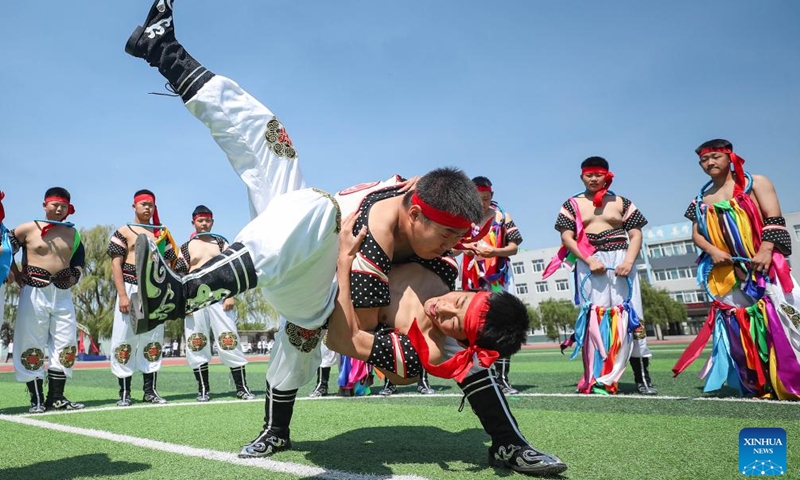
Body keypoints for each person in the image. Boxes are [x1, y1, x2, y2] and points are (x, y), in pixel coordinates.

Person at [125, 0, 486, 460]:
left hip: (320, 293)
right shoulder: (408, 192)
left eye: (455, 239)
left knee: (316, 229)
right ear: (417, 205)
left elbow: (345, 337)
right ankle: (163, 50)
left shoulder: (429, 300)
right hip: (292, 235)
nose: (451, 248)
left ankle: (183, 293)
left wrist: (508, 440)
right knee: (271, 139)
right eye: (446, 234)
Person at [325, 213, 567, 476]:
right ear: (470, 291)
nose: (443, 308)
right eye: (459, 302)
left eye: (455, 324)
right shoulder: (443, 263)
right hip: (337, 251)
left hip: (330, 305)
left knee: (297, 345)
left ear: (462, 339)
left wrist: (345, 262)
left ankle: (509, 443)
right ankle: (275, 429)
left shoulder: (422, 350)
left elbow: (340, 339)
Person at [673, 139, 800, 400]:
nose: (710, 163)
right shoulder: (700, 199)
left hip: (764, 265)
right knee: (743, 326)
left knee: (789, 317)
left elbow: (775, 219)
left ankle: (793, 380)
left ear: (730, 157)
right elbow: (696, 234)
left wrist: (765, 250)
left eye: (715, 157)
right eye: (704, 160)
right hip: (726, 272)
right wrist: (713, 250)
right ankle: (759, 385)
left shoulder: (757, 182)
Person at [546, 156, 656, 395]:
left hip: (621, 261)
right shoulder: (571, 204)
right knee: (592, 315)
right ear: (581, 176)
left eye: (598, 174)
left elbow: (636, 235)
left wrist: (628, 260)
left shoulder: (622, 202)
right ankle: (595, 376)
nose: (594, 179)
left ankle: (643, 377)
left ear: (607, 175)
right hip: (589, 261)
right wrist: (589, 260)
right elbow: (567, 238)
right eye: (589, 175)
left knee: (632, 313)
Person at [8, 187, 85, 413]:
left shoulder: (73, 233)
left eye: (63, 206)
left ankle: (57, 397)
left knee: (66, 342)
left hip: (62, 293)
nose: (59, 209)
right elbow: (5, 249)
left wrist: (76, 275)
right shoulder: (27, 228)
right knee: (31, 342)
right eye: (55, 205)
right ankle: (37, 399)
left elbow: (80, 259)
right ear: (45, 204)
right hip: (34, 290)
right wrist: (15, 273)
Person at [174, 205, 255, 402]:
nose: (204, 223)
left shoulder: (221, 242)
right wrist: (184, 304)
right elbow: (180, 275)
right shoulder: (185, 247)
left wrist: (230, 295)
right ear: (193, 221)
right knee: (196, 341)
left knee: (229, 338)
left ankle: (241, 387)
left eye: (207, 220)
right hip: (195, 299)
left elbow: (232, 268)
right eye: (200, 220)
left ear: (212, 221)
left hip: (219, 295)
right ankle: (203, 389)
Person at [107, 189, 177, 406]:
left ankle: (150, 391)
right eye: (143, 204)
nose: (148, 208)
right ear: (134, 206)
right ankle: (125, 392)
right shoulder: (124, 231)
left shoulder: (161, 233)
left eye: (151, 205)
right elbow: (116, 263)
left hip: (154, 291)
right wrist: (122, 295)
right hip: (130, 287)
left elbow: (171, 263)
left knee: (153, 339)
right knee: (124, 337)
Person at [460, 176, 524, 395]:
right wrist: (465, 247)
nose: (481, 204)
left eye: (485, 199)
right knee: (474, 325)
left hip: (498, 277)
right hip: (472, 277)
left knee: (502, 322)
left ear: (492, 196)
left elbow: (514, 247)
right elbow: (452, 247)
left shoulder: (502, 217)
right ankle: (477, 377)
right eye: (477, 200)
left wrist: (493, 252)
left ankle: (503, 379)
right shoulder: (463, 218)